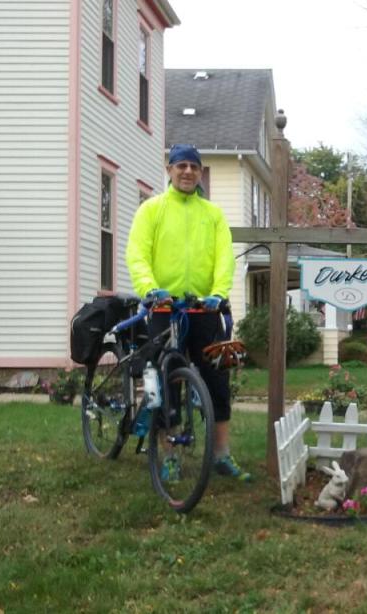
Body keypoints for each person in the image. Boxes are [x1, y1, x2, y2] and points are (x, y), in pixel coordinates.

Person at [126, 144, 250, 482]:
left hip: (203, 308)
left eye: (194, 167)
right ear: (169, 169)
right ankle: (170, 456)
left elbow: (225, 258)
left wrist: (218, 294)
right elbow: (138, 254)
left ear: (200, 172)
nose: (187, 172)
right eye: (181, 165)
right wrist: (150, 290)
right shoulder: (151, 210)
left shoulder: (213, 214)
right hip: (165, 309)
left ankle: (221, 455)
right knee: (168, 382)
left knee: (218, 380)